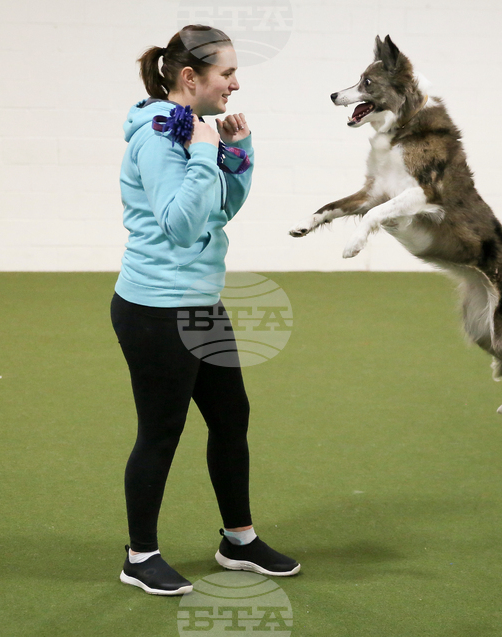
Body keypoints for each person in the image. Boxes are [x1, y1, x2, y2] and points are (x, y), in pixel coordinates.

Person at [111, 25, 300, 596]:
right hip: (155, 309)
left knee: (231, 418)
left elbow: (218, 213)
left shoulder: (194, 135)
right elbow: (179, 223)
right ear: (190, 78)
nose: (236, 84)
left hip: (199, 305)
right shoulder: (157, 137)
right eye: (227, 74)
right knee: (161, 431)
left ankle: (237, 540)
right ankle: (140, 555)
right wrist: (200, 153)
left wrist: (235, 152)